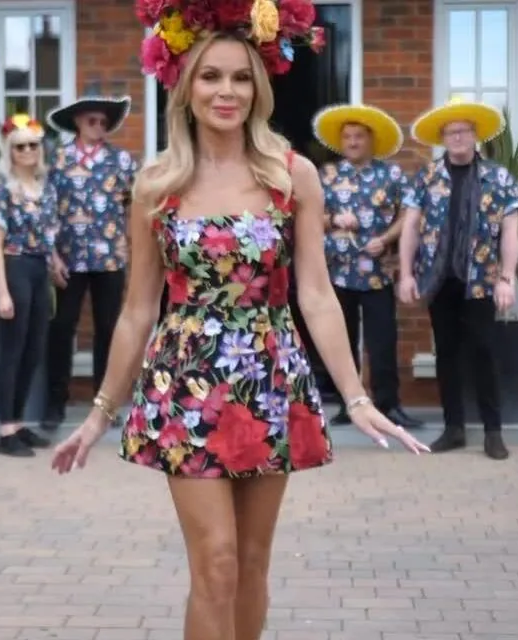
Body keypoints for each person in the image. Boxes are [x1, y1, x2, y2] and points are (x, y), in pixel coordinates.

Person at [52, 2, 429, 638]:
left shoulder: (292, 174)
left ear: (258, 89)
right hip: (186, 385)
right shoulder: (157, 184)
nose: (226, 91)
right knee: (217, 563)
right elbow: (138, 308)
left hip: (270, 380)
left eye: (240, 77)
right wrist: (99, 413)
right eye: (211, 76)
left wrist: (358, 397)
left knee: (252, 564)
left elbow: (316, 294)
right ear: (185, 86)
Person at [399, 97, 518, 461]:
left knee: (484, 351)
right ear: (442, 137)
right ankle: (453, 428)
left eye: (464, 131)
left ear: (475, 135)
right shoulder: (427, 176)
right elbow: (410, 227)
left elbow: (510, 231)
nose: (457, 137)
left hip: (481, 279)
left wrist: (506, 278)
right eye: (451, 132)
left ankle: (493, 432)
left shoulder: (498, 177)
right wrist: (406, 274)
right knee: (447, 354)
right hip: (439, 279)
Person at [313, 104, 423, 429]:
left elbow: (409, 214)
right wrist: (334, 218)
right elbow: (309, 216)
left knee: (382, 342)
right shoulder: (327, 176)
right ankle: (348, 405)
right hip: (337, 272)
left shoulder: (391, 175)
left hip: (377, 274)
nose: (353, 142)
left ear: (371, 140)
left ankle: (389, 406)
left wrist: (386, 238)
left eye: (359, 136)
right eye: (347, 137)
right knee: (342, 342)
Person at [41, 96, 137, 431]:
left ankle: (104, 406)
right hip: (68, 259)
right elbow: (46, 209)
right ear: (78, 123)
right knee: (61, 328)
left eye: (104, 122)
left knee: (108, 331)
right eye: (93, 121)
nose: (99, 127)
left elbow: (134, 206)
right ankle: (55, 404)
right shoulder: (58, 159)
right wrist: (52, 256)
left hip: (109, 258)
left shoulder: (121, 160)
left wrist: (131, 245)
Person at [0, 114, 59, 457]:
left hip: (39, 270)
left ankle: (17, 424)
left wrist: (55, 261)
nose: (28, 150)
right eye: (20, 146)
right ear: (11, 152)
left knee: (33, 351)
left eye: (32, 144)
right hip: (14, 268)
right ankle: (5, 433)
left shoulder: (48, 191)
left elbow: (47, 236)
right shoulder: (3, 193)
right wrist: (2, 293)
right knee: (12, 351)